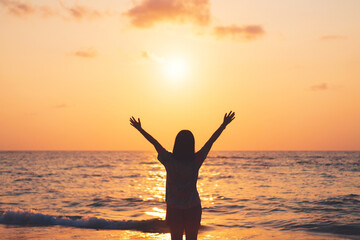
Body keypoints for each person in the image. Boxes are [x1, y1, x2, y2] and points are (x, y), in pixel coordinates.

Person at [130, 111, 235, 240]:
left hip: (174, 208)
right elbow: (210, 142)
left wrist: (140, 129)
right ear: (192, 145)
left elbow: (155, 143)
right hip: (193, 208)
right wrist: (223, 125)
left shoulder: (169, 160)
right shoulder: (196, 160)